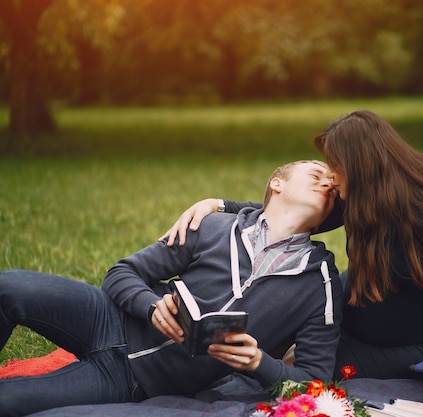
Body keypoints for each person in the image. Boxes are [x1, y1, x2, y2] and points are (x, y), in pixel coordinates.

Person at [0, 160, 343, 417]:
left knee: (9, 401)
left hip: (132, 381)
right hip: (106, 316)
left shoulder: (321, 282)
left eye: (332, 185)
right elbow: (123, 272)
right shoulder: (211, 225)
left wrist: (257, 363)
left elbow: (314, 381)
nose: (327, 182)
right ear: (277, 183)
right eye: (316, 175)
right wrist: (150, 305)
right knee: (8, 286)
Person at [162, 110, 423, 380]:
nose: (330, 176)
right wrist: (218, 204)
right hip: (346, 309)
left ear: (359, 164)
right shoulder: (362, 197)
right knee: (263, 332)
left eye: (334, 165)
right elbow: (291, 212)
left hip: (404, 343)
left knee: (308, 372)